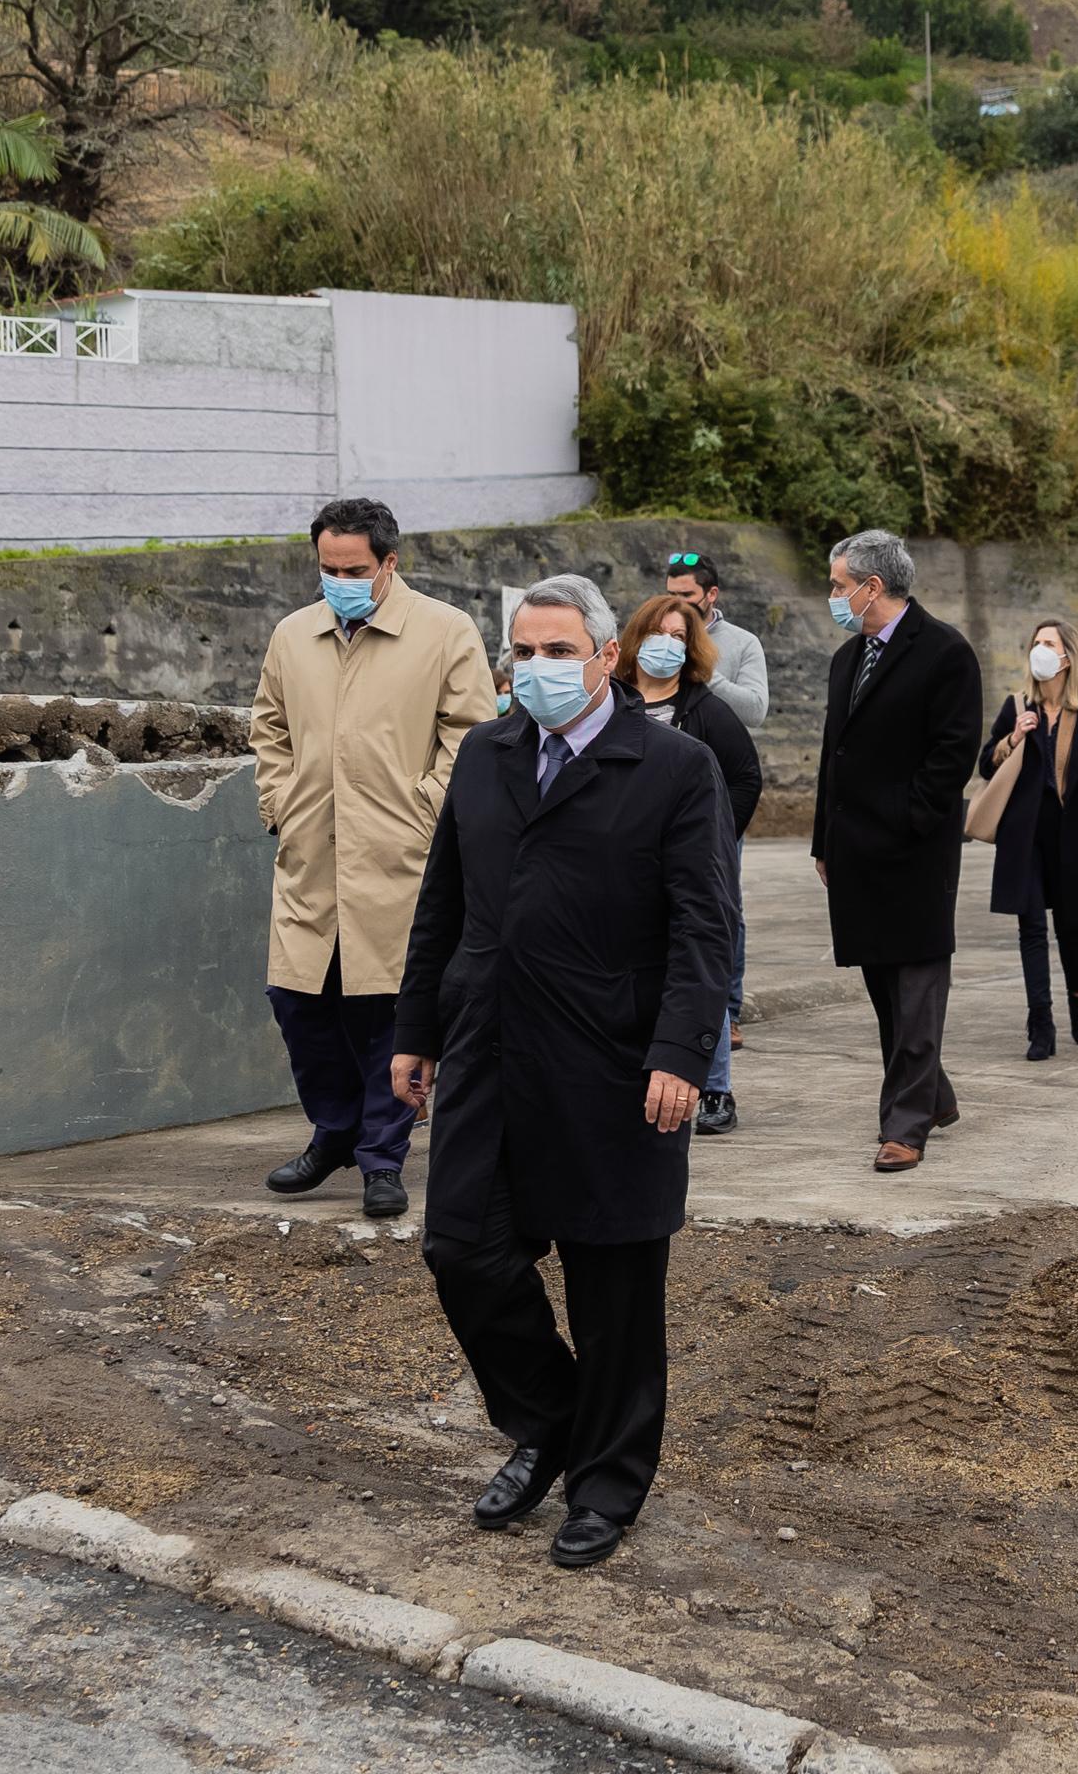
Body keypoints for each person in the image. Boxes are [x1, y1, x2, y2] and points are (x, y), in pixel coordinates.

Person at [389, 575, 731, 1572]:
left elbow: (705, 929)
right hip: (490, 1050)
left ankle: (607, 1486)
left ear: (603, 658)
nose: (533, 671)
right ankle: (556, 1423)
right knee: (464, 1252)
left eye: (553, 652)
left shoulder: (673, 767)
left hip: (611, 1066)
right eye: (519, 654)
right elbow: (441, 903)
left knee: (613, 1289)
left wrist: (679, 1051)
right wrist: (416, 1029)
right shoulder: (487, 756)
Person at [251, 495, 496, 1220]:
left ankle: (381, 1158)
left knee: (391, 1014)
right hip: (310, 857)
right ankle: (335, 1131)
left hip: (402, 861)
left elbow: (472, 738)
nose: (338, 579)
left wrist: (424, 811)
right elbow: (268, 726)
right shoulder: (294, 635)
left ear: (389, 563)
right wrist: (280, 801)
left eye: (353, 567)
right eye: (327, 567)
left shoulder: (445, 632)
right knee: (298, 1002)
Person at [809, 529, 979, 1173]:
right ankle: (932, 1094)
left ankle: (904, 1125)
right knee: (885, 987)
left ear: (871, 586)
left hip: (912, 852)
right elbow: (834, 757)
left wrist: (909, 820)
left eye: (837, 585)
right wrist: (824, 839)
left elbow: (951, 755)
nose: (834, 596)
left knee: (916, 989)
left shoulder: (943, 652)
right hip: (853, 851)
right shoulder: (847, 659)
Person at [618, 589, 762, 1135]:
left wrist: (719, 838)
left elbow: (746, 776)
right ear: (635, 639)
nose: (667, 645)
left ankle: (716, 1088)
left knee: (700, 969)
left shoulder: (705, 710)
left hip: (682, 864)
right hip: (619, 864)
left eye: (679, 637)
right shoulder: (609, 699)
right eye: (658, 633)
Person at [978, 616, 1078, 1062]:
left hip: (1076, 837)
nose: (1038, 649)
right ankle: (1040, 1020)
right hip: (1026, 837)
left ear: (1067, 656)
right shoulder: (1018, 705)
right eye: (1035, 642)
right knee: (1032, 928)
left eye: (1048, 643)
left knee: (1070, 925)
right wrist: (1012, 737)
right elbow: (987, 765)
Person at [660, 549, 770, 726]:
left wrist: (702, 671)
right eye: (671, 594)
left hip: (715, 751)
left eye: (687, 595)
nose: (677, 603)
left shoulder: (744, 643)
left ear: (711, 594)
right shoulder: (653, 636)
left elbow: (755, 712)